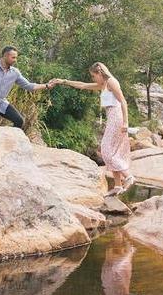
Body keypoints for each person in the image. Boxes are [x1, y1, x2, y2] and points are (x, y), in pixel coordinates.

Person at [53, 62, 134, 196]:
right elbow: (82, 85)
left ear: (100, 73)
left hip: (117, 118)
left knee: (106, 149)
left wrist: (125, 122)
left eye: (93, 76)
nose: (93, 78)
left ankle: (129, 177)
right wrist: (63, 81)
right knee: (111, 151)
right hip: (112, 118)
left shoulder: (112, 82)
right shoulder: (103, 85)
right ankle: (118, 186)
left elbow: (123, 101)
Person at [0, 46, 54, 129]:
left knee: (19, 121)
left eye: (16, 58)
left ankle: (8, 139)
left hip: (1, 104)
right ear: (5, 56)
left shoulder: (15, 72)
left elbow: (29, 86)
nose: (15, 60)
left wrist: (46, 85)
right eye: (13, 57)